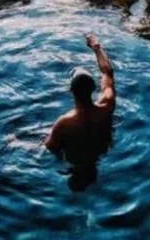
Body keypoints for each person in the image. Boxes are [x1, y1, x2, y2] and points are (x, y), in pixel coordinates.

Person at [45, 33, 115, 190]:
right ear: (94, 88)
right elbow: (107, 73)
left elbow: (50, 148)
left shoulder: (63, 123)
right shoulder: (107, 106)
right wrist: (96, 47)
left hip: (75, 161)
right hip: (101, 152)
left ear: (70, 90)